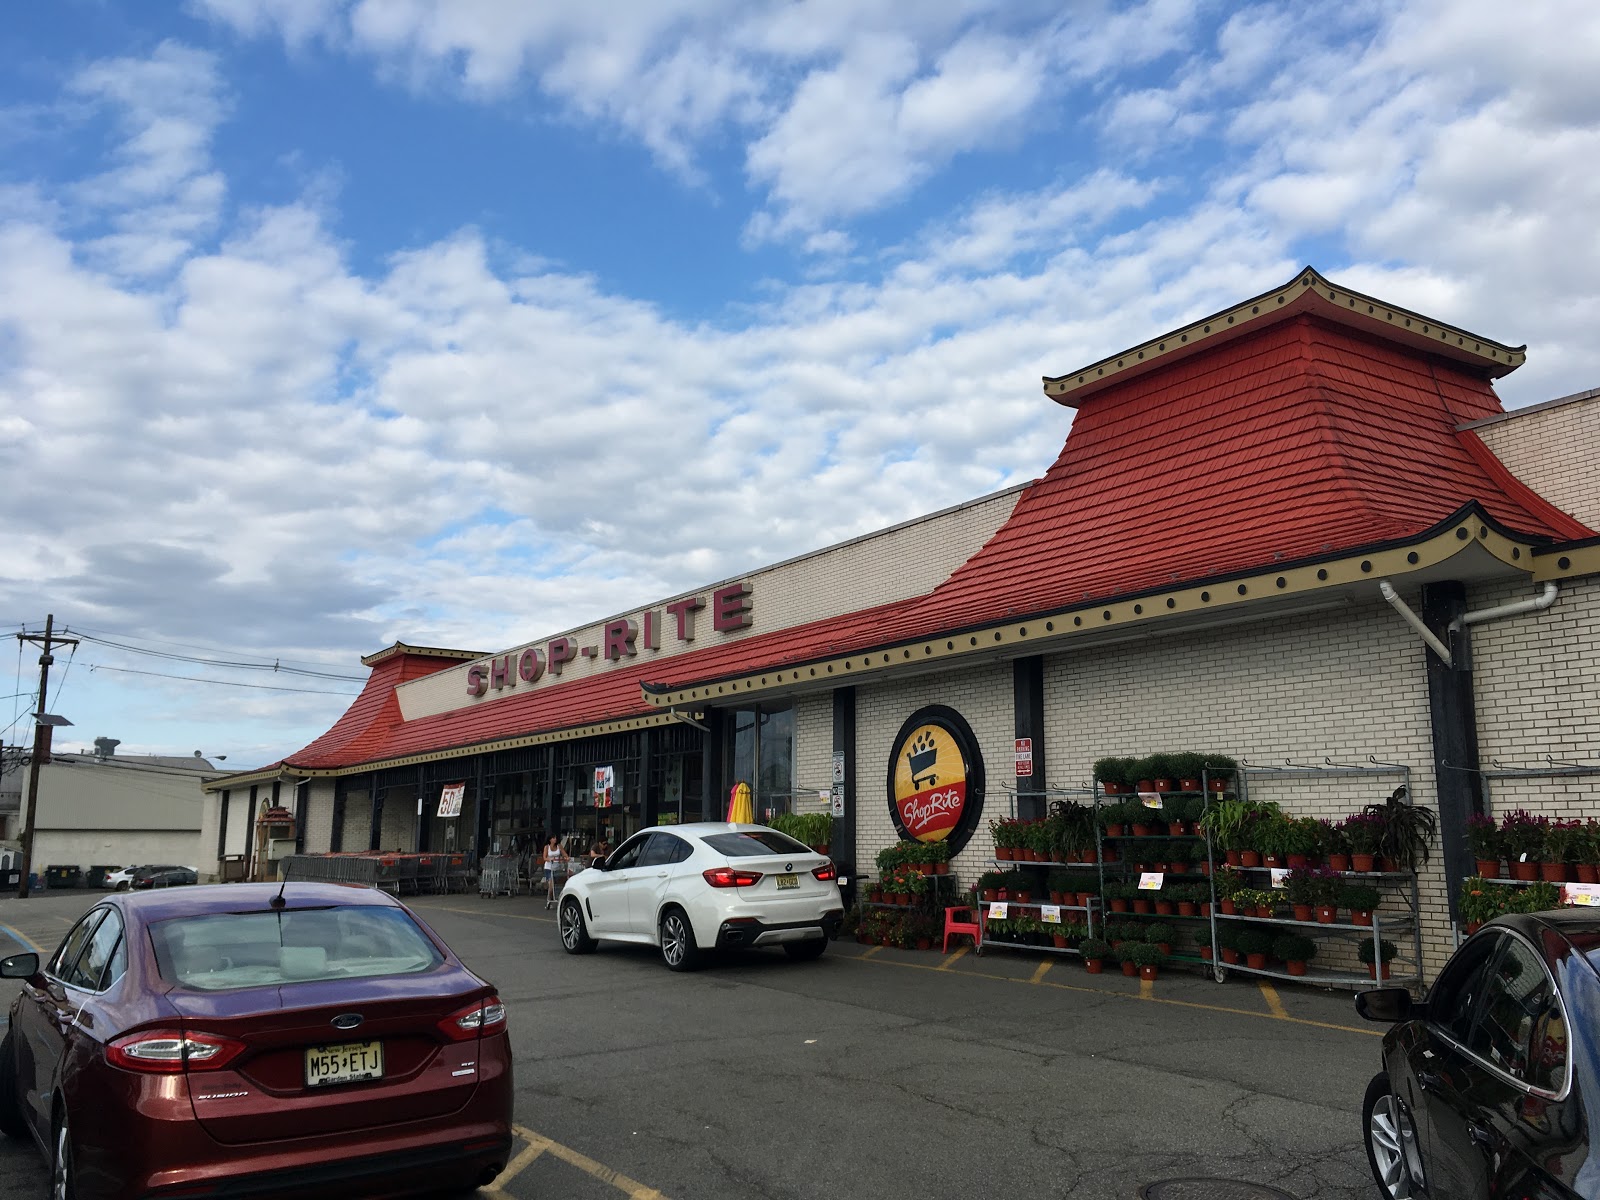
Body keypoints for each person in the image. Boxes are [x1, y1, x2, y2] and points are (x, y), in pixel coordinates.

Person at [540, 835, 566, 903]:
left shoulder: (559, 846)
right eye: (553, 838)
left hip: (557, 868)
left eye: (555, 838)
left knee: (557, 884)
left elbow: (564, 854)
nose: (555, 839)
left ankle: (556, 898)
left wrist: (566, 858)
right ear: (550, 840)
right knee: (551, 884)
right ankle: (549, 899)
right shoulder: (547, 847)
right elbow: (544, 858)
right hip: (549, 868)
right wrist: (550, 859)